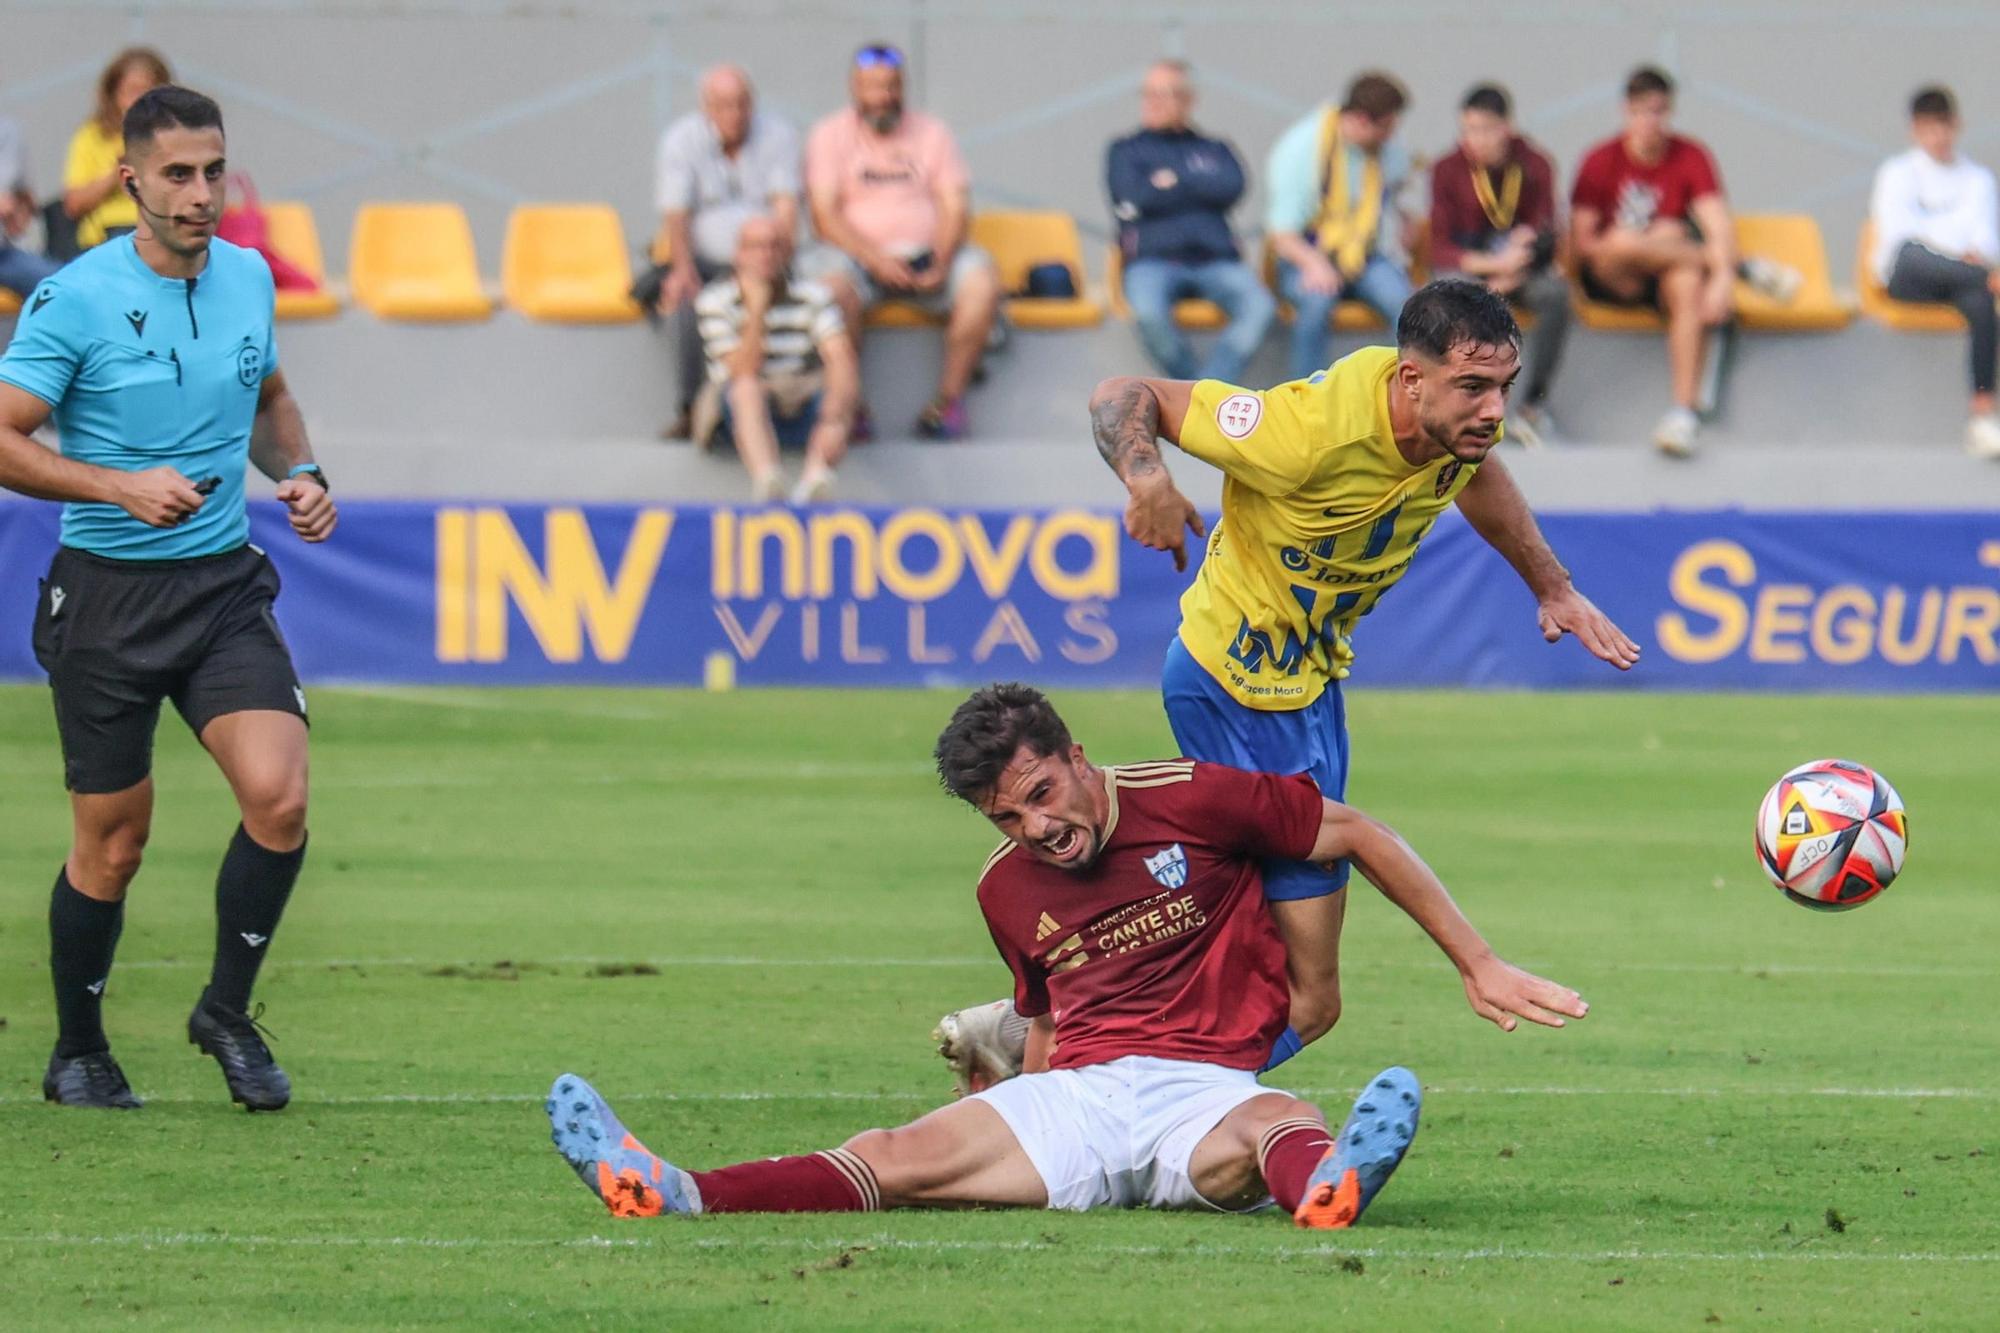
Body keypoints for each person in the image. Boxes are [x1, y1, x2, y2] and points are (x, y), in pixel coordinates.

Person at [937, 281, 1636, 1095]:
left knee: (1289, 981)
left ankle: (1046, 1036)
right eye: (1473, 388)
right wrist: (1147, 478)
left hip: (1306, 690)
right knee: (1305, 996)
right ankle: (1129, 1094)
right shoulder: (1301, 434)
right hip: (1229, 683)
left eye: (1503, 389)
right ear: (1411, 380)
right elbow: (1121, 394)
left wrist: (1551, 586)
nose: (1493, 411)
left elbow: (1477, 479)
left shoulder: (1452, 437)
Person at [548, 684, 1588, 1225]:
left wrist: (1476, 961)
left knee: (1279, 1121)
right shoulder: (1002, 891)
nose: (1035, 828)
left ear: (1077, 759)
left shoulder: (1192, 795)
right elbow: (1048, 1021)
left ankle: (1327, 1186)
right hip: (1078, 1097)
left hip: (1203, 1086)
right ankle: (676, 1187)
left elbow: (1354, 831)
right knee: (894, 1151)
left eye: (1041, 793)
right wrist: (1003, 1093)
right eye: (1007, 817)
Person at [0, 87, 337, 1111]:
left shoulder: (244, 276)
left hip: (221, 585)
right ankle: (79, 1051)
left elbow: (269, 397)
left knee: (278, 797)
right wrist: (116, 484)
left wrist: (303, 470)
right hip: (106, 598)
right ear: (131, 180)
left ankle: (225, 1012)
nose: (200, 195)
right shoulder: (77, 298)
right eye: (179, 175)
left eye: (214, 171)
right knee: (114, 843)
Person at [1570, 65, 1796, 458]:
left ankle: (1683, 413)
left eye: (1658, 111)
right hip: (1612, 275)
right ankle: (1746, 266)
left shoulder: (1690, 155)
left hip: (1665, 274)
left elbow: (1716, 221)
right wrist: (1654, 237)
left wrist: (1721, 280)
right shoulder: (1600, 160)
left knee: (1690, 282)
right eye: (1641, 111)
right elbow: (1584, 244)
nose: (1649, 122)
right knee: (1623, 243)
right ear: (1626, 111)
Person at [804, 42, 1000, 440]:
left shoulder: (933, 133)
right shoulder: (828, 135)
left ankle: (948, 404)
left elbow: (954, 206)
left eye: (892, 87)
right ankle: (851, 406)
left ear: (903, 88)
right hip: (855, 259)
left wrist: (942, 261)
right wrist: (875, 258)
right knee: (831, 291)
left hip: (926, 258)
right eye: (874, 87)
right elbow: (824, 217)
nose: (883, 97)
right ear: (854, 88)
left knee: (981, 281)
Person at [652, 65, 804, 442]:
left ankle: (799, 408)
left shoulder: (778, 136)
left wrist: (774, 261)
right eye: (723, 106)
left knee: (815, 298)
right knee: (685, 307)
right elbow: (676, 213)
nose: (734, 115)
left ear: (752, 104)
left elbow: (786, 209)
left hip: (767, 255)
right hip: (705, 263)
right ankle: (690, 409)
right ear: (706, 108)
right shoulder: (681, 140)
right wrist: (683, 269)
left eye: (741, 105)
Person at [1107, 60, 1275, 384]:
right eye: (1147, 93)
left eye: (1164, 93)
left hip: (1216, 261)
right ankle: (1202, 394)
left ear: (1187, 100)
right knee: (1148, 314)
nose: (1152, 102)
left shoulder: (1214, 148)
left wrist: (1172, 182)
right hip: (1151, 262)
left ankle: (1202, 394)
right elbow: (1130, 198)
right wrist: (1198, 184)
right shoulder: (1125, 150)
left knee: (1260, 306)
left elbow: (1232, 186)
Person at [1429, 84, 1569, 447]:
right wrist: (1491, 269)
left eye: (1483, 129)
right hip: (1471, 269)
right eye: (1467, 130)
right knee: (1449, 299)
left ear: (1506, 128)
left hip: (1520, 271)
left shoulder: (1534, 164)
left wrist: (1515, 266)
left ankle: (1533, 406)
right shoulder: (1448, 169)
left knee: (1555, 295)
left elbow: (1545, 233)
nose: (1473, 140)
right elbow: (1439, 247)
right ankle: (1457, 405)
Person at [1870, 85, 2000, 459]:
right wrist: (1965, 261)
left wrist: (1968, 265)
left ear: (1957, 125)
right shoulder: (1897, 173)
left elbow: (1986, 242)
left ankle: (1982, 413)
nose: (1938, 138)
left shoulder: (1979, 181)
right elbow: (1900, 243)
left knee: (1981, 301)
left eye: (1944, 127)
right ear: (1914, 130)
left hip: (1962, 279)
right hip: (1908, 276)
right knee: (1914, 255)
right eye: (1929, 129)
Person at [692, 215, 857, 503]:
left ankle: (814, 481)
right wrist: (757, 309)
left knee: (842, 384)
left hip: (798, 389)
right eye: (756, 247)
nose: (766, 255)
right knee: (746, 389)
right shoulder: (715, 301)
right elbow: (743, 369)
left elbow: (839, 353)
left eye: (774, 246)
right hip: (738, 402)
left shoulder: (813, 295)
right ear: (739, 254)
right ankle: (768, 480)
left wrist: (837, 411)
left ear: (786, 253)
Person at [1265, 71, 1415, 380]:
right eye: (1386, 128)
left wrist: (1405, 224)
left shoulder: (1384, 150)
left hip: (1365, 255)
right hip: (1306, 253)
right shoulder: (1301, 150)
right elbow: (1281, 234)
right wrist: (1314, 263)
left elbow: (1401, 190)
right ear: (1361, 120)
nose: (1391, 137)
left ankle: (1404, 398)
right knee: (1316, 303)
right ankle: (1308, 402)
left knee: (1410, 309)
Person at [62, 48, 172, 253]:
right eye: (131, 91)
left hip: (161, 230)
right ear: (114, 94)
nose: (138, 101)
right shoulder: (92, 136)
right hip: (109, 234)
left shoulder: (173, 135)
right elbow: (73, 204)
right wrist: (118, 172)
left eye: (147, 92)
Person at [1, 114, 62, 294]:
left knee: (61, 283)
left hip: (4, 255)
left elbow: (24, 197)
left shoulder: (8, 131)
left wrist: (21, 211)